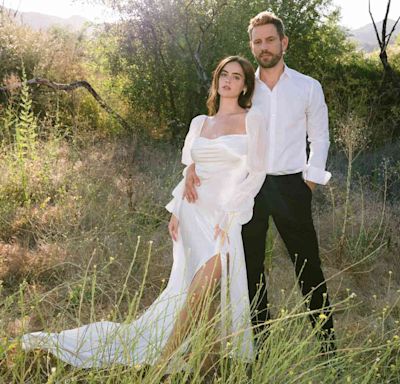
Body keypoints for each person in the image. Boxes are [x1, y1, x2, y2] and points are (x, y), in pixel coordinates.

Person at [20, 55, 267, 371]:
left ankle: (166, 361)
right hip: (193, 212)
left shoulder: (252, 119)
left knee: (206, 284)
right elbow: (192, 161)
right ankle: (201, 359)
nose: (228, 80)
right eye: (223, 74)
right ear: (217, 80)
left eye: (236, 76)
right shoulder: (200, 122)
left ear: (245, 85)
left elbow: (257, 172)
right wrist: (178, 205)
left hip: (224, 216)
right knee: (198, 289)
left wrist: (231, 214)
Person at [183, 11, 337, 354]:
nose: (264, 47)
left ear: (283, 42)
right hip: (245, 189)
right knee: (250, 270)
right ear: (251, 47)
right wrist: (195, 163)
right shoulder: (244, 87)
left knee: (308, 266)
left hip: (290, 187)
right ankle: (260, 349)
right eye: (257, 42)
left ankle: (329, 350)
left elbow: (321, 138)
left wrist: (309, 183)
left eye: (270, 40)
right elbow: (217, 125)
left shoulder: (307, 87)